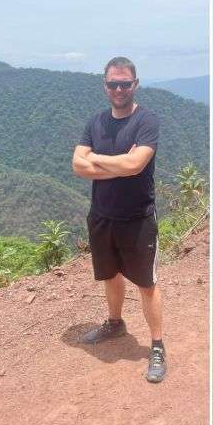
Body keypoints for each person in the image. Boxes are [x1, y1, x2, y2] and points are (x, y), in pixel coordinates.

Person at [71, 56, 165, 383]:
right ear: (105, 86)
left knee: (146, 284)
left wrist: (96, 158)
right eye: (113, 83)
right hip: (102, 216)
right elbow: (77, 167)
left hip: (138, 218)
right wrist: (118, 161)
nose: (120, 89)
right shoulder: (95, 122)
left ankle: (156, 346)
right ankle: (115, 323)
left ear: (135, 84)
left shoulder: (147, 121)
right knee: (110, 276)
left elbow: (135, 166)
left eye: (125, 83)